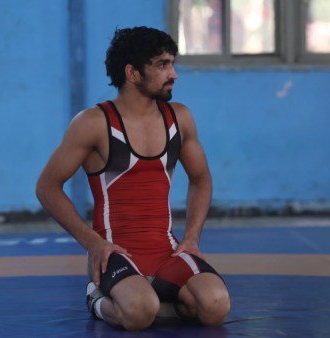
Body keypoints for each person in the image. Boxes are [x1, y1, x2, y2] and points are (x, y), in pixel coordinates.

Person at [36, 26, 230, 331]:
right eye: (162, 65)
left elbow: (201, 179)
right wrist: (93, 243)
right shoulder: (93, 123)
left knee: (216, 306)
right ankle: (98, 299)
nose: (174, 74)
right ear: (132, 73)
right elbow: (47, 187)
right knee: (140, 313)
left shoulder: (179, 118)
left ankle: (153, 299)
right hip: (117, 252)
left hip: (168, 251)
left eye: (172, 63)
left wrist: (191, 237)